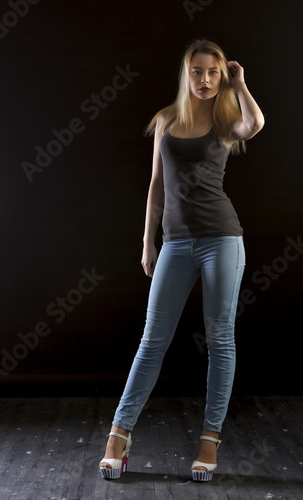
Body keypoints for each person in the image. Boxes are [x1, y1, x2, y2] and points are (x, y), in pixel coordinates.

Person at [99, 39, 264, 482]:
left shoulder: (228, 119)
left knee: (219, 338)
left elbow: (255, 124)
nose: (206, 80)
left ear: (221, 75)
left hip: (222, 239)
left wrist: (240, 83)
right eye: (198, 72)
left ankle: (209, 438)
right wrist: (148, 243)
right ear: (186, 74)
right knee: (152, 341)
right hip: (175, 242)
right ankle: (119, 434)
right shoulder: (167, 120)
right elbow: (156, 185)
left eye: (213, 72)